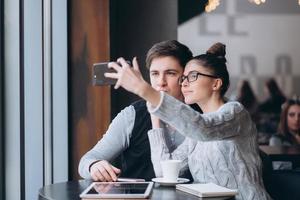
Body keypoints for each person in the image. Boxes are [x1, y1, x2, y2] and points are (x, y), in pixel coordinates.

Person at [106, 42, 271, 199]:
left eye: (193, 76)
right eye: (183, 78)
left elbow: (203, 128)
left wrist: (144, 90)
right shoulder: (195, 131)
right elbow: (165, 174)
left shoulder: (235, 112)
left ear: (216, 83)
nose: (184, 83)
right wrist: (156, 119)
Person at [78, 40, 197, 182]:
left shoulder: (202, 117)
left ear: (185, 76)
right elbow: (87, 160)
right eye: (155, 74)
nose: (161, 82)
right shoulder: (132, 115)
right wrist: (94, 165)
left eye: (170, 73)